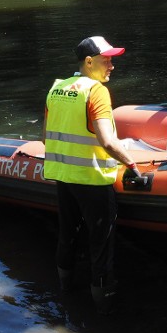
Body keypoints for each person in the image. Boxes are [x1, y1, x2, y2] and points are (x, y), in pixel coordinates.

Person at [43, 35, 141, 315]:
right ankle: (104, 308)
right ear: (89, 62)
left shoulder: (56, 88)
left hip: (63, 178)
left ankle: (65, 292)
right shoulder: (96, 91)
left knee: (67, 235)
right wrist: (132, 165)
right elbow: (108, 142)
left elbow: (46, 137)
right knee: (101, 245)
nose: (111, 66)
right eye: (106, 60)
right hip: (93, 182)